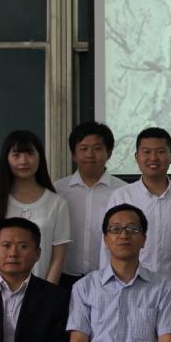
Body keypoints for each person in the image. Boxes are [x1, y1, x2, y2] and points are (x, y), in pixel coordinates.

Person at [64, 204, 171, 342]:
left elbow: (167, 341)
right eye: (115, 229)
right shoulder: (85, 287)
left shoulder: (162, 287)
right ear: (106, 239)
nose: (124, 235)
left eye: (132, 229)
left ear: (144, 239)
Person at [106, 128, 171, 291]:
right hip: (131, 288)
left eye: (160, 152)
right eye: (146, 152)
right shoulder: (121, 196)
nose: (153, 158)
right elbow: (108, 246)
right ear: (137, 157)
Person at [0, 130, 70, 285]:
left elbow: (58, 257)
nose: (23, 161)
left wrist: (46, 292)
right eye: (16, 155)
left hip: (43, 291)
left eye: (30, 154)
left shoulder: (57, 202)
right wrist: (2, 292)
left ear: (40, 157)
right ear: (6, 159)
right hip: (3, 291)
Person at [54, 121, 126, 289]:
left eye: (97, 148)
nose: (90, 154)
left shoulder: (123, 191)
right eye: (83, 148)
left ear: (109, 153)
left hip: (109, 276)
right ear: (73, 154)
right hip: (64, 276)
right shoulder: (57, 190)